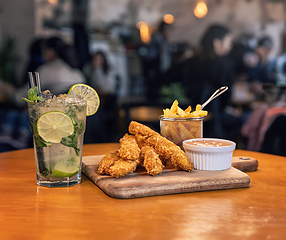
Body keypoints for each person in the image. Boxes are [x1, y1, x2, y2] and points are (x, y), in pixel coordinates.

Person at [182, 24, 241, 140]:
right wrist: (226, 107)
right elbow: (226, 97)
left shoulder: (190, 62)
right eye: (228, 41)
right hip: (216, 120)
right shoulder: (225, 66)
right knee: (239, 118)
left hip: (189, 118)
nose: (230, 46)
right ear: (217, 43)